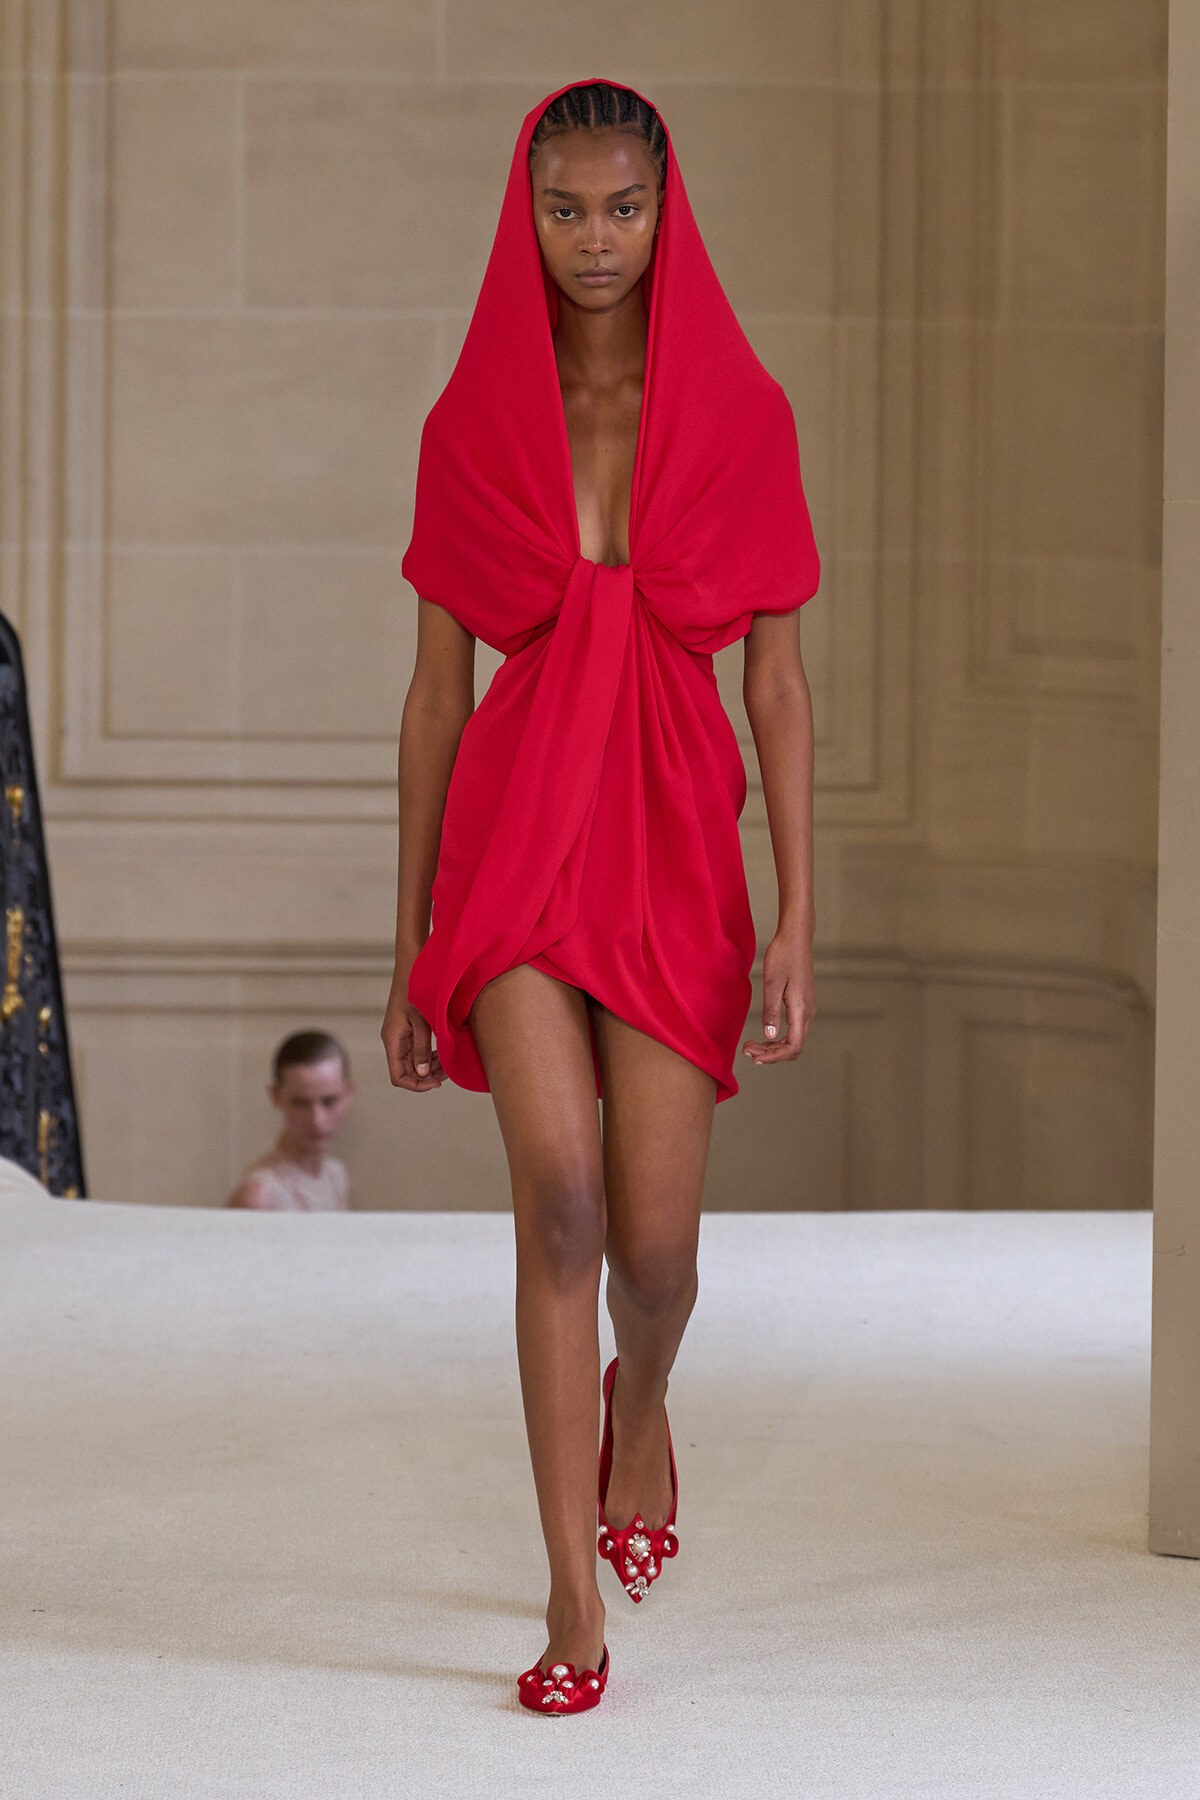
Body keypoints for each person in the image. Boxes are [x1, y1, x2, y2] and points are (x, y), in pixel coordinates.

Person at [382, 81, 819, 1714]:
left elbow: (779, 687)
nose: (592, 240)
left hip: (676, 851)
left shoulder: (743, 415)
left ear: (665, 208)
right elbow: (434, 699)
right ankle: (573, 1598)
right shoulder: (471, 427)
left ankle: (645, 1408)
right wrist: (409, 938)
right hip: (513, 849)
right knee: (557, 1206)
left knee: (656, 1252)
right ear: (526, 209)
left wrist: (798, 915)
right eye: (564, 208)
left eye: (621, 207)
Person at [227, 1030, 354, 1212]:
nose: (316, 1120)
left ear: (348, 1094)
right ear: (276, 1096)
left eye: (329, 1101)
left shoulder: (336, 1175)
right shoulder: (260, 1195)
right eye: (301, 1103)